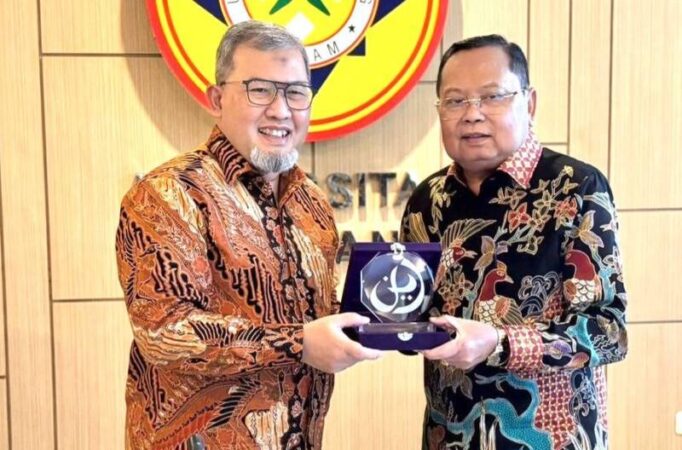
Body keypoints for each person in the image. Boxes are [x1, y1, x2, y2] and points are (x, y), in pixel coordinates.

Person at [115, 20, 382, 450]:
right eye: (260, 90)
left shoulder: (312, 202)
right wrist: (300, 343)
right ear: (217, 99)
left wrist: (383, 319)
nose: (281, 110)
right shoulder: (168, 194)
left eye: (296, 92)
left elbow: (315, 314)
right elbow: (164, 332)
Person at [400, 35, 627, 449]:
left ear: (530, 103)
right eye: (455, 101)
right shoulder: (427, 200)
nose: (472, 115)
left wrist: (500, 343)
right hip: (449, 436)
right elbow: (414, 314)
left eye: (492, 97)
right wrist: (378, 321)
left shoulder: (577, 188)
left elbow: (608, 331)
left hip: (553, 438)